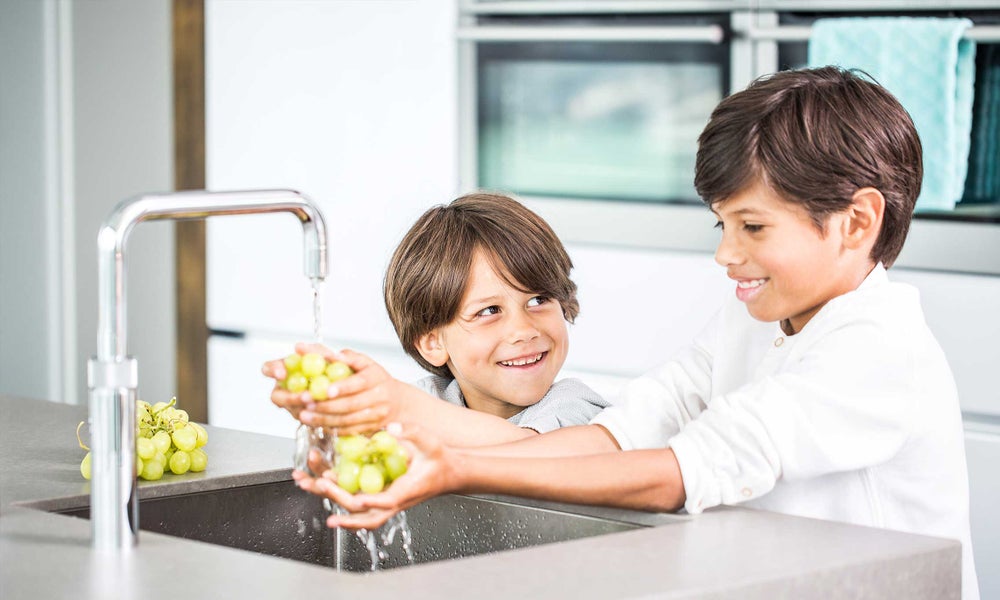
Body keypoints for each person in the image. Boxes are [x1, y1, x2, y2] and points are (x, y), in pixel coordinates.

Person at [293, 67, 979, 598]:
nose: (725, 254)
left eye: (754, 227)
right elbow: (624, 432)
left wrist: (456, 469)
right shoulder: (755, 316)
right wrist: (414, 432)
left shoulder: (878, 350)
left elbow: (679, 472)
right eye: (723, 225)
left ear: (857, 222)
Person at [263, 192, 610, 447]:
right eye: (489, 311)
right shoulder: (430, 400)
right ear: (432, 342)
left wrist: (395, 405)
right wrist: (338, 415)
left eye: (538, 300)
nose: (523, 330)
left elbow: (527, 454)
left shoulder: (579, 408)